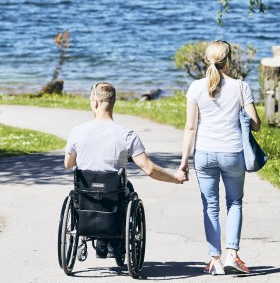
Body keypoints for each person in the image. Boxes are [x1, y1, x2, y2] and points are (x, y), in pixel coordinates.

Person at [65, 82, 188, 259]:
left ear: (95, 102)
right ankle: (115, 240)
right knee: (126, 189)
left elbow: (68, 164)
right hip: (113, 194)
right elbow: (149, 169)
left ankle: (101, 241)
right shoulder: (126, 135)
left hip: (85, 195)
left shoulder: (77, 131)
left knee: (94, 188)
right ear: (112, 103)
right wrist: (175, 178)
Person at [179, 40, 261, 275]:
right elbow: (256, 126)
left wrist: (184, 161)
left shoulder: (195, 87)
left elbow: (190, 127)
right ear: (230, 60)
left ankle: (214, 260)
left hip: (204, 154)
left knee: (210, 207)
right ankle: (232, 255)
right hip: (233, 153)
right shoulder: (241, 87)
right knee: (234, 202)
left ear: (207, 60)